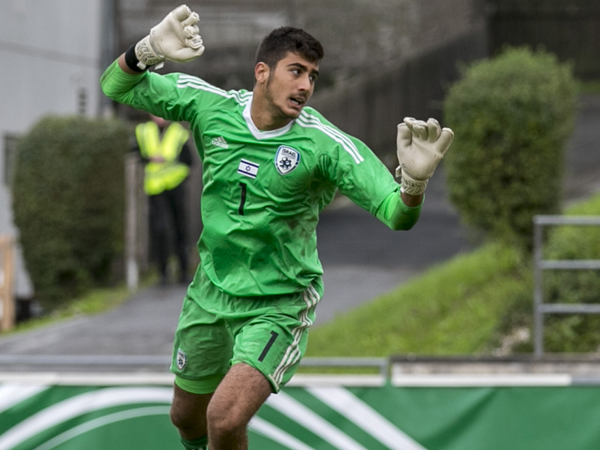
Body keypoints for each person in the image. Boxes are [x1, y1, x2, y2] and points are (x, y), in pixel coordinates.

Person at [100, 5, 453, 450]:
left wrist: (414, 184)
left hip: (277, 304)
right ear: (262, 72)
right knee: (186, 418)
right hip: (210, 292)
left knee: (224, 418)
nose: (306, 85)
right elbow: (116, 85)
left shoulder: (325, 145)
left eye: (313, 76)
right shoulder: (211, 107)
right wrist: (147, 49)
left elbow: (397, 215)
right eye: (296, 71)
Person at [133, 113, 193, 285]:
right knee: (160, 230)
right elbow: (135, 154)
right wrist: (149, 159)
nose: (159, 117)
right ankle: (163, 273)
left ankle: (183, 271)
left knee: (180, 228)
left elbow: (189, 161)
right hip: (155, 189)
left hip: (176, 187)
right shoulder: (143, 131)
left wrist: (170, 162)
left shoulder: (179, 132)